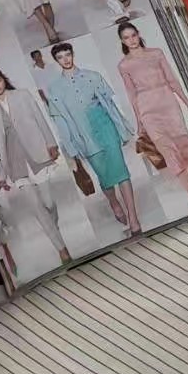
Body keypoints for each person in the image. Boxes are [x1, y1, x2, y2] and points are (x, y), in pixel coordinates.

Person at [45, 42, 142, 235]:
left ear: (73, 54)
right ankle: (114, 202)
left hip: (105, 126)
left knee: (121, 171)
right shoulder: (55, 89)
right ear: (56, 61)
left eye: (67, 54)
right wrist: (71, 148)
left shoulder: (92, 76)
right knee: (104, 175)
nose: (65, 59)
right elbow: (60, 121)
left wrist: (122, 128)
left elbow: (110, 105)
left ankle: (134, 219)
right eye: (60, 57)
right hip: (84, 135)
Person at [117, 22, 188, 211]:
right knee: (168, 153)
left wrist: (187, 103)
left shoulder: (156, 54)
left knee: (185, 147)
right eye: (126, 38)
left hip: (168, 102)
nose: (131, 40)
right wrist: (139, 121)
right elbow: (132, 94)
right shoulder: (124, 65)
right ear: (122, 41)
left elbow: (172, 79)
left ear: (138, 34)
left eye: (133, 35)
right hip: (147, 110)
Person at [0, 67, 71, 264]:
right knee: (36, 208)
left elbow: (40, 118)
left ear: (4, 79)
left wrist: (51, 143)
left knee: (48, 203)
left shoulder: (22, 95)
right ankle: (62, 249)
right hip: (14, 161)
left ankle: (53, 229)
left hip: (37, 153)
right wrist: (0, 174)